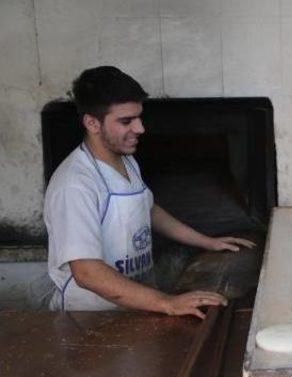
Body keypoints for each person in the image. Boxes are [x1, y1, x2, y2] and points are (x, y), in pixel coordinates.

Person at [43, 66, 255, 318]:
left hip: (138, 305)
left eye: (139, 117)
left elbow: (148, 208)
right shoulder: (75, 185)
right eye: (126, 121)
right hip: (92, 320)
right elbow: (87, 272)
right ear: (92, 123)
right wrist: (167, 303)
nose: (140, 128)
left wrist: (207, 241)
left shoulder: (126, 160)